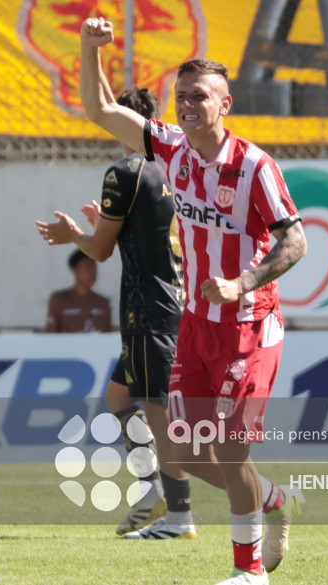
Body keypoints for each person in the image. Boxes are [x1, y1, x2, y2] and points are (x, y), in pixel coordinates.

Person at [77, 17, 308, 585]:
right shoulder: (172, 149)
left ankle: (249, 572)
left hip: (247, 327)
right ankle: (276, 499)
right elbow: (102, 113)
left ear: (225, 104)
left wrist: (242, 283)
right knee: (178, 457)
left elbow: (295, 240)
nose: (186, 105)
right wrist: (89, 51)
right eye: (181, 96)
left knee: (230, 454)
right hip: (195, 325)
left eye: (199, 97)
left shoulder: (255, 166)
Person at [36, 87, 196, 539]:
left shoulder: (126, 171)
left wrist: (74, 234)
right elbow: (141, 231)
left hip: (148, 307)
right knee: (119, 398)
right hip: (176, 300)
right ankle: (151, 490)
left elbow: (99, 251)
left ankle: (179, 514)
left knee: (156, 409)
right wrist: (104, 226)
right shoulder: (179, 168)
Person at [45, 248, 112, 333]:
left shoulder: (103, 302)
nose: (92, 272)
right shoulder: (58, 300)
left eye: (94, 267)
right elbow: (50, 335)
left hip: (97, 346)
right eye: (88, 266)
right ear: (74, 270)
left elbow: (108, 337)